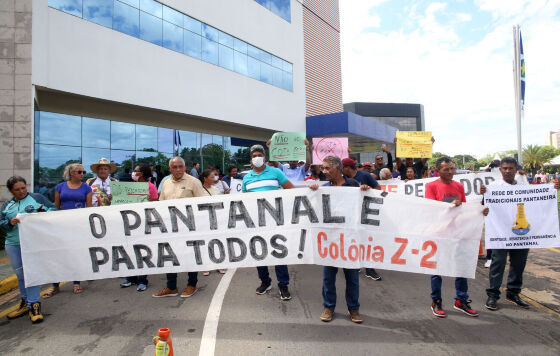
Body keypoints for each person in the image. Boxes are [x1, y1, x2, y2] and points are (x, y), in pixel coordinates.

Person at [481, 158, 559, 311]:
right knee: (498, 264)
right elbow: (484, 209)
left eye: (511, 168)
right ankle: (493, 295)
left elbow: (538, 203)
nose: (508, 171)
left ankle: (513, 293)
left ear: (516, 169)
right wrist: (483, 195)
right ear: (500, 170)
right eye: (505, 168)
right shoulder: (493, 188)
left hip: (521, 235)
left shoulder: (525, 186)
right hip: (501, 234)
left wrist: (553, 189)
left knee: (518, 264)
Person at [309, 155, 370, 324]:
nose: (324, 171)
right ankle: (329, 307)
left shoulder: (353, 185)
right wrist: (314, 193)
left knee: (352, 277)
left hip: (350, 239)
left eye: (327, 168)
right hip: (331, 240)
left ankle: (354, 309)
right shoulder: (324, 188)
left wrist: (364, 191)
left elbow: (361, 206)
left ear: (338, 168)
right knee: (328, 277)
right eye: (323, 168)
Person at [425, 157, 488, 318]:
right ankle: (436, 301)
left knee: (461, 266)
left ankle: (461, 300)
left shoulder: (459, 186)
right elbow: (431, 209)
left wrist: (479, 211)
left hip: (458, 233)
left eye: (453, 168)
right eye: (447, 169)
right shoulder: (431, 186)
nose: (451, 172)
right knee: (437, 269)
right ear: (438, 171)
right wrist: (450, 205)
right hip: (439, 234)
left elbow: (465, 209)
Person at [1, 176, 57, 323]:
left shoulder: (36, 197)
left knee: (30, 272)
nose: (21, 191)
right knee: (21, 274)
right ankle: (25, 303)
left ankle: (34, 305)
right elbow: (2, 223)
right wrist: (10, 223)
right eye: (17, 189)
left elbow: (53, 209)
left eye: (23, 188)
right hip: (13, 243)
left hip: (33, 243)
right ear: (11, 191)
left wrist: (42, 212)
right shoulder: (7, 205)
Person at [242, 144, 295, 300]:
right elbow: (243, 200)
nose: (257, 157)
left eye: (259, 154)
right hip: (256, 222)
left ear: (264, 157)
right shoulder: (246, 178)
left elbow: (291, 190)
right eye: (254, 155)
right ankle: (265, 281)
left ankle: (283, 285)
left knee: (278, 252)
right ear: (250, 159)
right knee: (260, 252)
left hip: (275, 220)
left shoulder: (276, 172)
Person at [153, 157, 206, 298]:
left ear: (185, 167)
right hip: (170, 227)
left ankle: (191, 285)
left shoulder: (194, 182)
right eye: (175, 167)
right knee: (170, 256)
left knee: (190, 255)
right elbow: (161, 204)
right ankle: (171, 287)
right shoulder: (165, 183)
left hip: (189, 227)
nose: (178, 170)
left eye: (180, 166)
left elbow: (203, 204)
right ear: (170, 168)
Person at [43, 163, 93, 298]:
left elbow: (89, 209)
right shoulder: (60, 187)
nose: (82, 174)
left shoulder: (87, 188)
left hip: (78, 226)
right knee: (58, 255)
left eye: (83, 172)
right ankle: (55, 285)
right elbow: (56, 206)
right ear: (71, 173)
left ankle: (76, 282)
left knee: (75, 255)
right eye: (79, 172)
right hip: (62, 226)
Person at [341, 158, 382, 281]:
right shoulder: (343, 179)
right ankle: (356, 263)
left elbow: (378, 189)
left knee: (366, 241)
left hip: (364, 213)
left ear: (347, 167)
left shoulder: (364, 175)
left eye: (343, 167)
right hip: (350, 214)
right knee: (354, 240)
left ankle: (370, 269)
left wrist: (367, 190)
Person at [119, 163, 159, 292]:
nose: (133, 173)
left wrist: (150, 200)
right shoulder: (129, 187)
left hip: (143, 223)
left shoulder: (151, 187)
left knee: (142, 252)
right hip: (129, 223)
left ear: (142, 174)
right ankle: (130, 278)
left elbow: (156, 204)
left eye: (135, 171)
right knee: (129, 250)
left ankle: (142, 280)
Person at [199, 169, 227, 276]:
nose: (214, 178)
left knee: (218, 241)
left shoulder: (216, 189)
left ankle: (219, 264)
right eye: (212, 177)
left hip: (217, 220)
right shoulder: (198, 191)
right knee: (205, 242)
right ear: (205, 179)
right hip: (204, 221)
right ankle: (206, 266)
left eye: (215, 176)